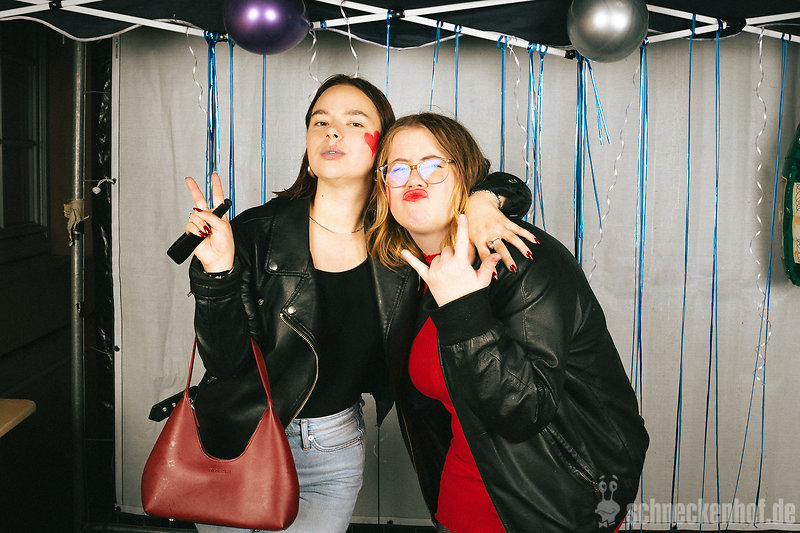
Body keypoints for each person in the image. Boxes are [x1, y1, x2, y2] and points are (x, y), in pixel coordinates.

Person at [182, 76, 536, 533]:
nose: (332, 131)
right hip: (237, 436)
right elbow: (226, 363)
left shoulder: (405, 234)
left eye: (354, 122)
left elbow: (493, 179)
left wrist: (485, 201)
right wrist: (217, 274)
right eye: (320, 122)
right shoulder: (253, 232)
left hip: (331, 450)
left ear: (383, 149)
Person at [368, 113, 649, 533]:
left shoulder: (523, 259)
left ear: (467, 178)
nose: (414, 178)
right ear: (383, 188)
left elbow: (524, 409)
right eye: (398, 168)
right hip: (460, 498)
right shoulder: (412, 273)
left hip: (551, 503)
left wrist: (463, 309)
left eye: (433, 164)